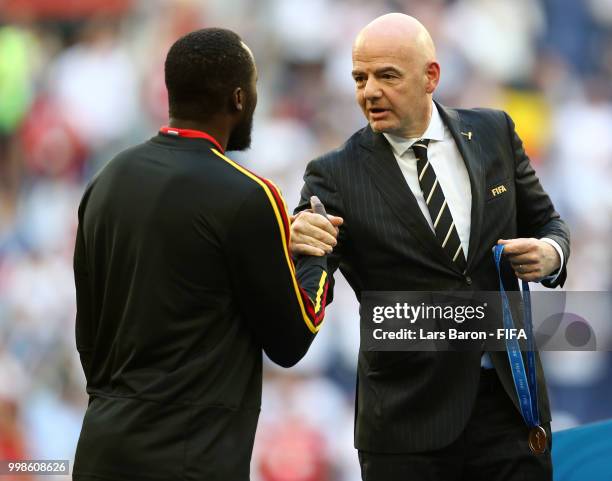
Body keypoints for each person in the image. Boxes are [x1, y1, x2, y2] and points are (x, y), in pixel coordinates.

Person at [290, 13, 569, 481]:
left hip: (509, 407)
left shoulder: (495, 133)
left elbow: (548, 222)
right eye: (360, 78)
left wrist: (551, 254)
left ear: (431, 77)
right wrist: (293, 244)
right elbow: (308, 291)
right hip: (408, 425)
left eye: (387, 76)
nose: (369, 91)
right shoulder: (332, 174)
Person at [73, 28, 335, 481]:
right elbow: (293, 340)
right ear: (238, 98)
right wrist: (315, 255)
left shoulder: (107, 180)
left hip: (101, 450)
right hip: (192, 459)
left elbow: (89, 339)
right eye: (253, 88)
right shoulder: (249, 194)